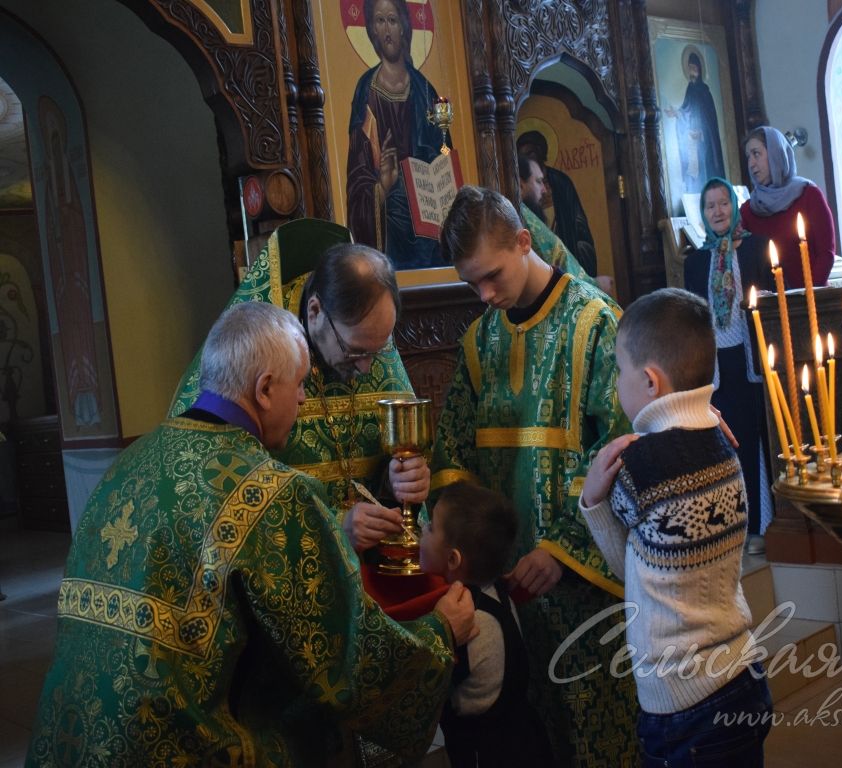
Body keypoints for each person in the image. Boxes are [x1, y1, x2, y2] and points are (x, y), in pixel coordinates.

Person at [26, 302, 477, 767]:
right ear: (264, 389)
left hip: (71, 741)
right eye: (299, 383)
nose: (303, 399)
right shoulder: (273, 493)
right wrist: (440, 631)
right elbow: (345, 664)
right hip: (182, 749)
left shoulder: (131, 462)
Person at [432, 185, 638, 766]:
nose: (485, 294)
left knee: (599, 740)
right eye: (472, 282)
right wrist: (461, 556)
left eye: (493, 275)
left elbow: (624, 449)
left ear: (525, 242)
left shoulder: (598, 324)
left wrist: (563, 550)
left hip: (583, 595)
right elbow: (452, 456)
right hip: (505, 596)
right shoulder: (479, 342)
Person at [579, 287, 773, 767]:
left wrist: (593, 501)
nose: (616, 381)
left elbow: (627, 570)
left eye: (619, 370)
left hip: (686, 703)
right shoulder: (724, 440)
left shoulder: (636, 469)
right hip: (743, 676)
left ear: (649, 381)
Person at [170, 221, 429, 570]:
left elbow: (386, 469)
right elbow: (220, 505)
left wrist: (400, 483)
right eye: (354, 353)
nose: (368, 368)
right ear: (315, 312)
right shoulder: (257, 347)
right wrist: (335, 528)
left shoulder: (366, 330)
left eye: (378, 352)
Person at [419, 481, 555, 768]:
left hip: (486, 751)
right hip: (526, 735)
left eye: (430, 527)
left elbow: (428, 690)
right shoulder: (498, 588)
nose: (422, 531)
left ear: (453, 559)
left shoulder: (468, 618)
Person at [684, 177, 773, 554]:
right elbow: (692, 312)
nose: (718, 211)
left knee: (754, 444)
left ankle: (759, 526)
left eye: (723, 204)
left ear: (734, 206)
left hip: (750, 361)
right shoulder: (697, 260)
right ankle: (730, 526)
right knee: (725, 447)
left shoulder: (754, 247)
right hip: (717, 367)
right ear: (702, 214)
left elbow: (769, 293)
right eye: (710, 206)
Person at [346, 0, 446, 269]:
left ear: (404, 27)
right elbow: (357, 174)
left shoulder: (425, 90)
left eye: (392, 20)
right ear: (371, 31)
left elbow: (444, 148)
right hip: (390, 217)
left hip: (428, 209)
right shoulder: (365, 91)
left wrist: (440, 160)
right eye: (380, 21)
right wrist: (382, 187)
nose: (387, 28)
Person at [739, 126, 835, 288]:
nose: (751, 164)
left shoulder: (809, 195)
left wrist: (807, 293)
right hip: (770, 306)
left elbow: (826, 253)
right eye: (748, 157)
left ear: (776, 154)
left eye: (756, 154)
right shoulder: (748, 210)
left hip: (811, 299)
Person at [516, 130, 598, 276]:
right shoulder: (524, 218)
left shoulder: (560, 182)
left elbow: (578, 225)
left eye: (532, 153)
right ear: (521, 184)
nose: (544, 190)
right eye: (538, 182)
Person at [665, 50, 726, 194]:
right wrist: (676, 113)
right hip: (692, 141)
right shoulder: (690, 89)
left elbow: (710, 121)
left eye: (694, 68)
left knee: (707, 171)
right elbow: (686, 110)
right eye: (690, 68)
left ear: (699, 69)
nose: (692, 71)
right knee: (695, 178)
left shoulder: (705, 92)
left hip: (705, 143)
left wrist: (703, 133)